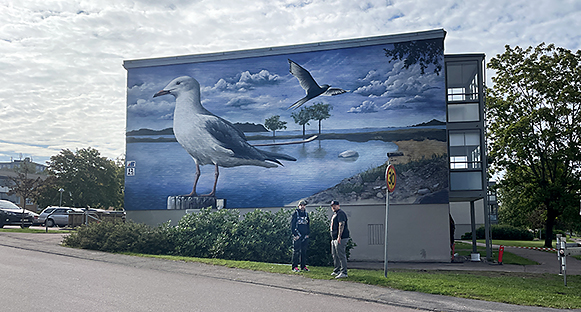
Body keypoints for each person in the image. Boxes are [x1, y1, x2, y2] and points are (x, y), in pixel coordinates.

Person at [330, 200, 349, 278]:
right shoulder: (335, 214)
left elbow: (341, 224)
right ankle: (337, 270)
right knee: (335, 254)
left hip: (341, 237)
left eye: (335, 205)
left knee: (341, 254)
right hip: (334, 238)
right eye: (332, 206)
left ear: (338, 205)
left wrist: (339, 236)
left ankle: (344, 272)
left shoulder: (341, 213)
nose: (333, 207)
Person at [291, 200, 310, 272]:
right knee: (296, 252)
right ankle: (294, 267)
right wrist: (295, 234)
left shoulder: (306, 214)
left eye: (304, 205)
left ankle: (303, 266)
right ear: (299, 206)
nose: (302, 206)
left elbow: (308, 224)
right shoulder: (295, 214)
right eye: (301, 205)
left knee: (304, 252)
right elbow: (292, 225)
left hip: (305, 236)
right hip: (298, 235)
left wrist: (308, 234)